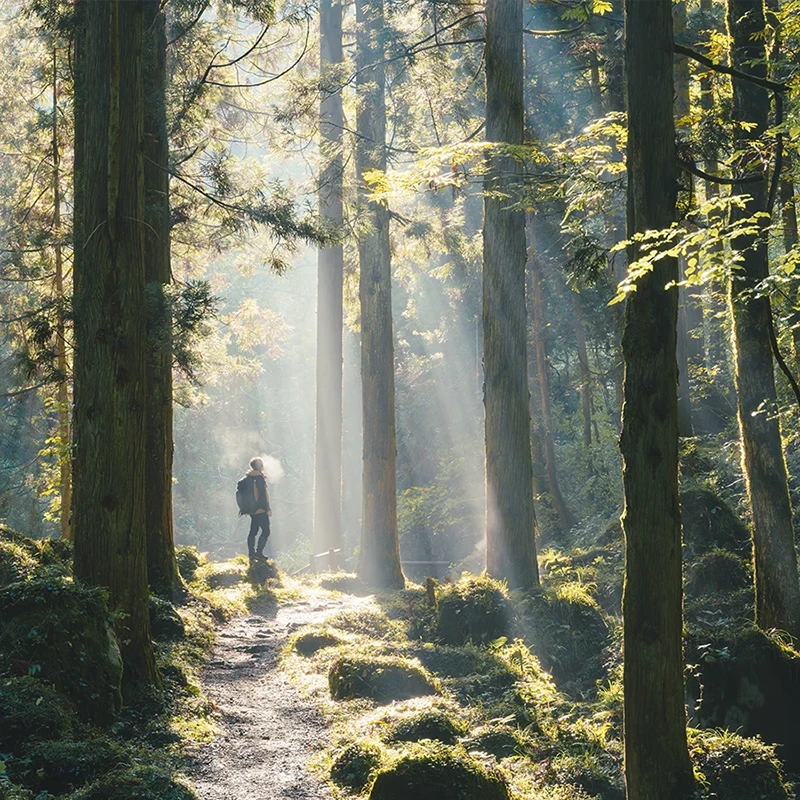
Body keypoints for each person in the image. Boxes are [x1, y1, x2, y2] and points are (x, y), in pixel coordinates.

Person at [243, 457, 272, 560]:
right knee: (266, 531)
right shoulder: (259, 478)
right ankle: (259, 553)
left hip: (252, 510)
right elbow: (263, 495)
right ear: (260, 466)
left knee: (253, 531)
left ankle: (251, 553)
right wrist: (267, 508)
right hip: (261, 509)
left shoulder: (248, 478)